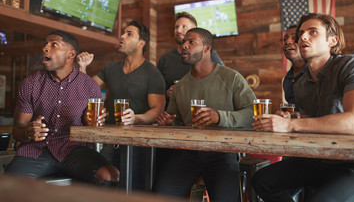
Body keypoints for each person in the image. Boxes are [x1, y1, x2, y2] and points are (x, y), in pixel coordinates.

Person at [252, 13, 354, 202]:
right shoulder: (300, 83)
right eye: (301, 33)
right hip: (317, 158)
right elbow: (317, 117)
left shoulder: (351, 65)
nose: (302, 37)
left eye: (313, 32)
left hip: (352, 163)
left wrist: (290, 126)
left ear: (332, 41)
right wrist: (294, 119)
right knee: (261, 181)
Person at [153, 28, 256, 201]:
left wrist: (219, 117)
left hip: (222, 152)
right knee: (158, 197)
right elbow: (175, 122)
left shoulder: (232, 78)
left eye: (191, 42)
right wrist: (167, 123)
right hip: (187, 153)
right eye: (183, 42)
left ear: (207, 48)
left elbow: (253, 113)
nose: (184, 46)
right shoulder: (180, 87)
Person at [6, 30, 120, 186]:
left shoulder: (89, 85)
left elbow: (91, 127)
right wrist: (28, 131)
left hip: (73, 150)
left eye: (54, 45)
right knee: (9, 184)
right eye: (45, 44)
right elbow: (18, 129)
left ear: (70, 54)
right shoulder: (30, 84)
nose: (45, 48)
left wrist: (90, 124)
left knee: (109, 175)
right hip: (36, 151)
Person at [77, 21, 166, 191]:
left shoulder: (153, 74)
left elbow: (157, 110)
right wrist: (82, 68)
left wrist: (136, 118)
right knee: (101, 181)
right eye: (123, 33)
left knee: (134, 189)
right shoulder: (111, 68)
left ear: (142, 43)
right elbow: (88, 90)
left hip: (140, 143)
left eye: (129, 34)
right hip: (112, 140)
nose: (122, 36)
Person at [157, 12, 223, 109]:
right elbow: (157, 91)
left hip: (202, 113)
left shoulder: (209, 54)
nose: (179, 30)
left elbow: (222, 81)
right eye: (176, 27)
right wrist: (166, 93)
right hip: (173, 117)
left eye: (184, 26)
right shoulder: (165, 59)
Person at [282, 25, 307, 111]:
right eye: (285, 39)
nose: (287, 41)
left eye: (294, 38)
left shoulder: (315, 73)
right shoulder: (287, 79)